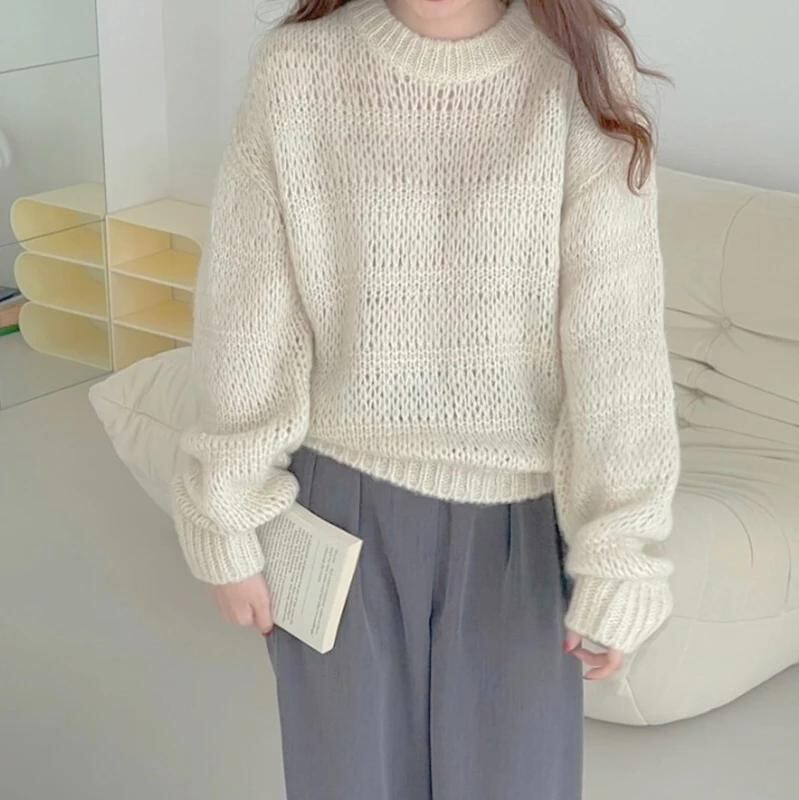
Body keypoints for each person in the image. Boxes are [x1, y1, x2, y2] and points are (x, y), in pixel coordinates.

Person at [170, 0, 681, 796]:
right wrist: (223, 511)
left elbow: (615, 337)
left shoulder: (579, 71)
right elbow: (249, 310)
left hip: (519, 528)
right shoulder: (298, 71)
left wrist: (622, 553)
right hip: (339, 511)